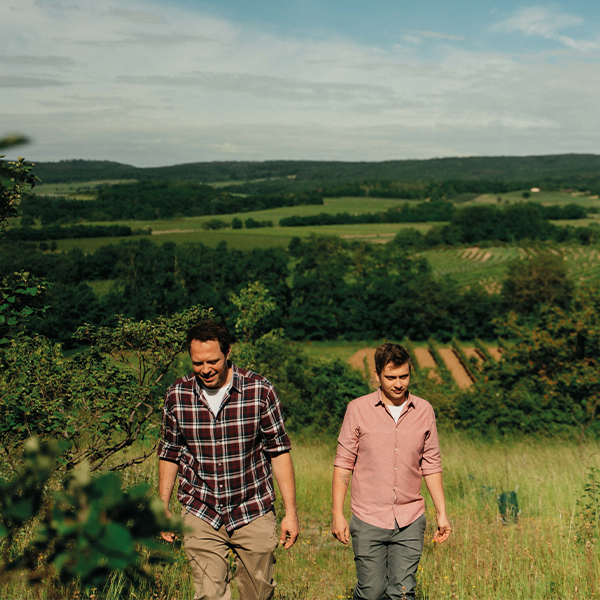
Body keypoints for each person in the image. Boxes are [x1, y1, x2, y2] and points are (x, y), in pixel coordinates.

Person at [158, 319, 299, 600]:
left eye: (213, 361)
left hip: (252, 509)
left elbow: (279, 451)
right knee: (209, 595)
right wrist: (161, 506)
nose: (205, 369)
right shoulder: (178, 395)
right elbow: (169, 452)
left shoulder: (260, 391)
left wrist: (291, 512)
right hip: (201, 510)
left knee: (257, 595)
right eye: (197, 363)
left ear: (228, 352)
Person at [331, 342, 451, 600]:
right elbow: (344, 462)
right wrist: (337, 513)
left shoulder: (424, 411)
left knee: (403, 593)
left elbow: (431, 464)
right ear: (377, 376)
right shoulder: (357, 409)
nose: (398, 383)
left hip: (410, 518)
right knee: (371, 592)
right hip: (367, 517)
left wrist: (442, 513)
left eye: (404, 376)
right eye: (391, 377)